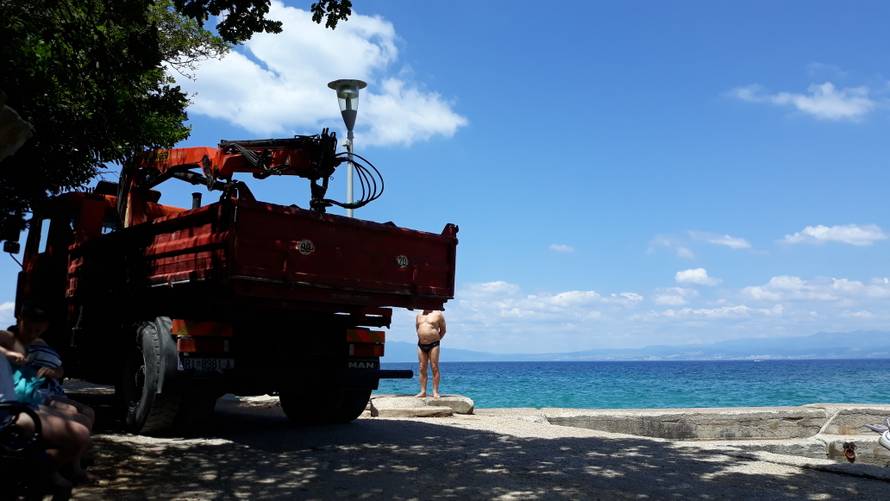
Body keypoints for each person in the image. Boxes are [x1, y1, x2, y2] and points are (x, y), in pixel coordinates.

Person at [1, 303, 94, 483]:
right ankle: (52, 470)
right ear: (20, 320)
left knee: (87, 413)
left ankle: (71, 465)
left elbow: (59, 370)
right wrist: (9, 354)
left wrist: (53, 372)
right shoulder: (8, 337)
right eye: (29, 328)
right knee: (76, 420)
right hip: (24, 396)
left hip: (38, 391)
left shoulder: (40, 344)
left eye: (38, 330)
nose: (32, 333)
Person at [415, 309, 446, 399]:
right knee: (422, 367)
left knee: (434, 366)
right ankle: (423, 391)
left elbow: (443, 330)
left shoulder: (438, 314)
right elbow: (418, 329)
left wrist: (435, 339)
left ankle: (435, 391)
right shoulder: (419, 315)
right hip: (421, 344)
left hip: (434, 344)